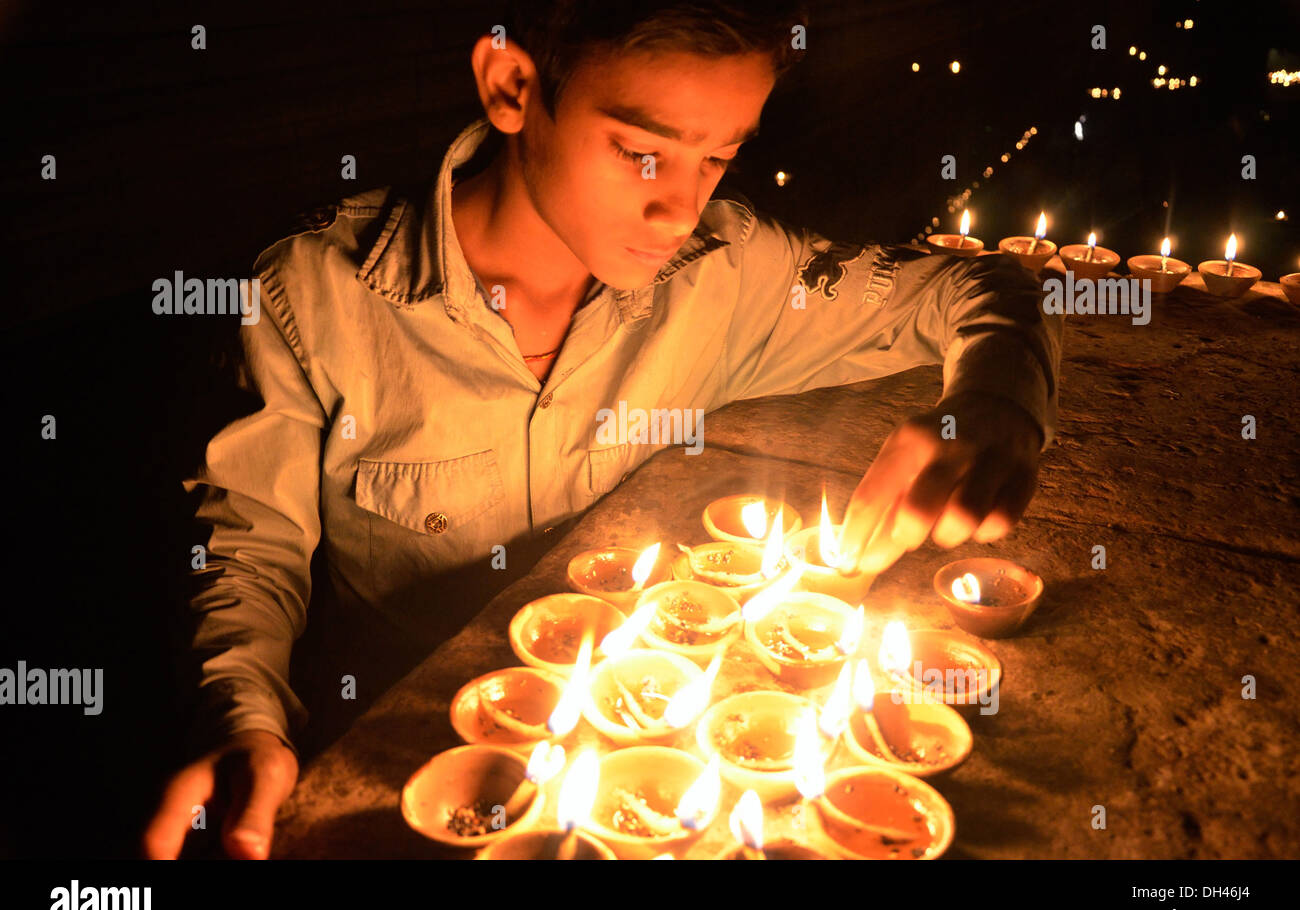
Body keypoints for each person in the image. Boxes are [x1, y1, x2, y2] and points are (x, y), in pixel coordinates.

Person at [143, 0, 1062, 859]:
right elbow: (243, 553)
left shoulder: (726, 275)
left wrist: (994, 401)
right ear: (513, 87)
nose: (681, 208)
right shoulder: (309, 297)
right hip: (409, 779)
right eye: (640, 153)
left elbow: (976, 287)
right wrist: (243, 720)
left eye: (719, 158)